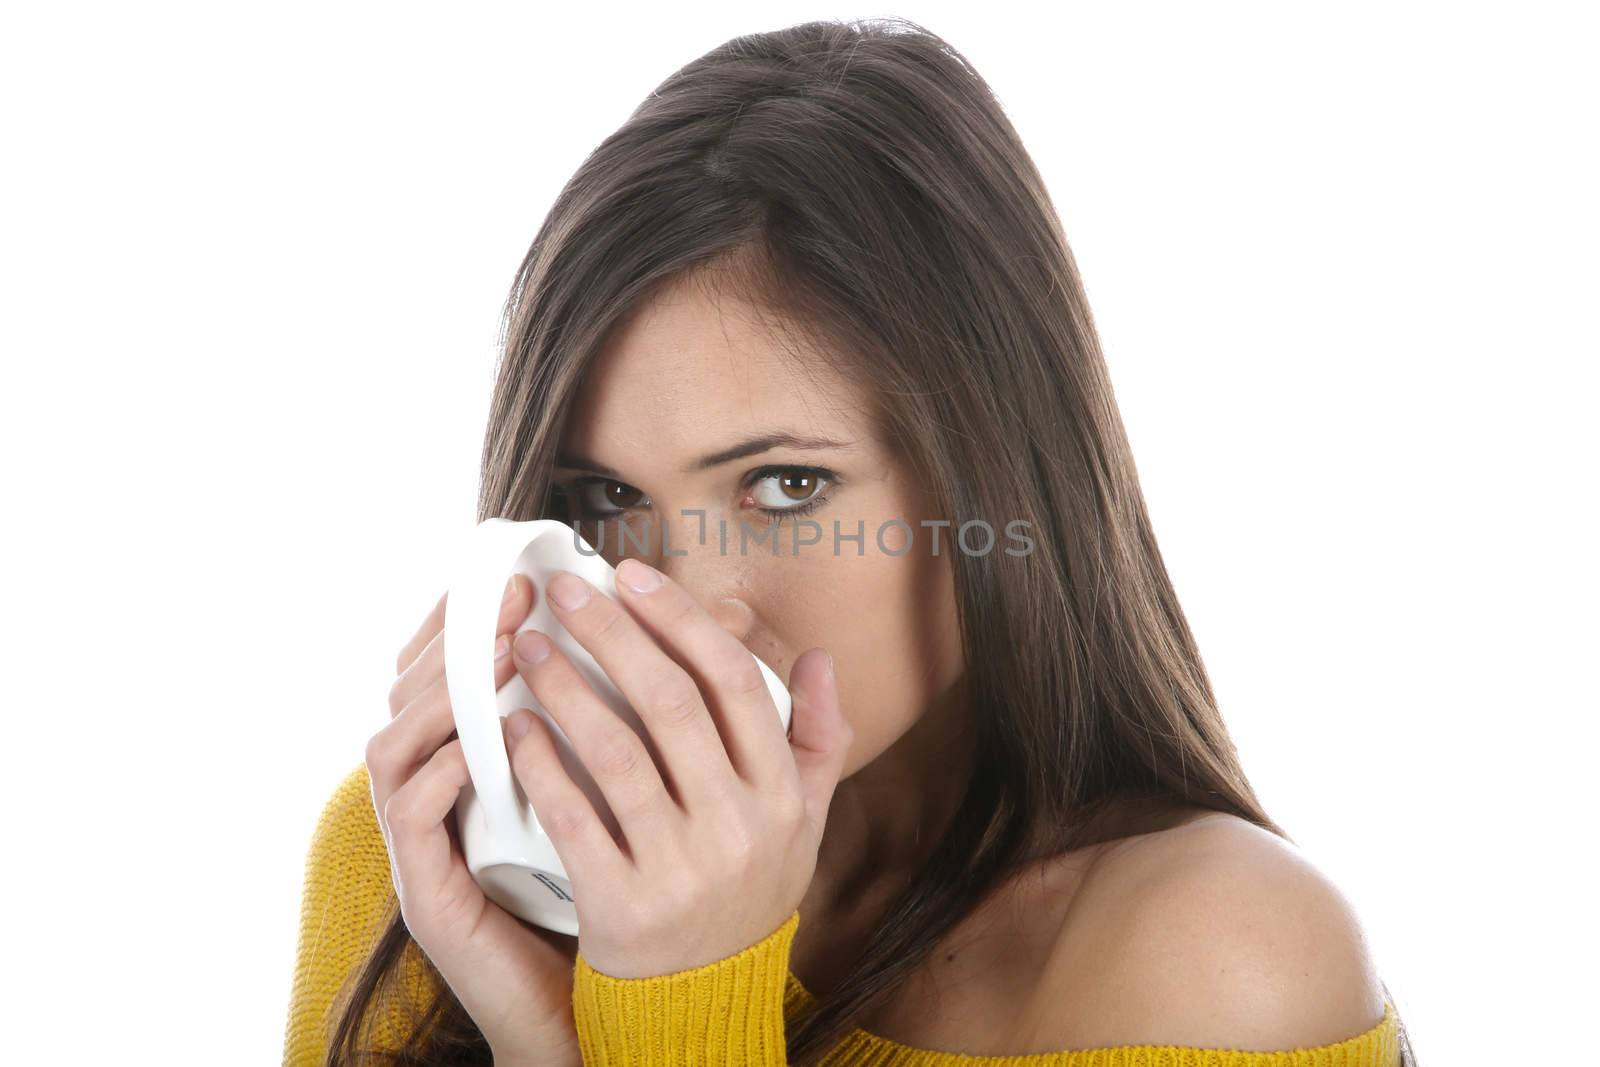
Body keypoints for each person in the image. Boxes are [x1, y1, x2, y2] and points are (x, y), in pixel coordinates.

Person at [284, 16, 1415, 1067]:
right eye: (601, 496)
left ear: (998, 481)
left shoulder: (1221, 957)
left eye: (785, 484)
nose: (692, 601)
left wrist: (677, 993)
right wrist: (548, 1032)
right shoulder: (422, 856)